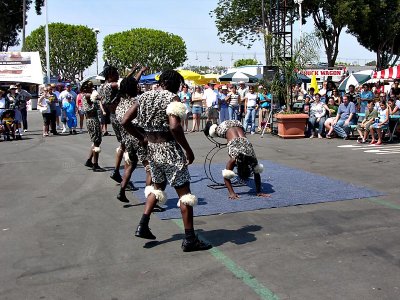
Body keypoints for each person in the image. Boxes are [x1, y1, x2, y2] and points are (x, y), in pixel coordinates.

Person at [122, 70, 212, 252]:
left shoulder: (144, 97)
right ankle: (189, 239)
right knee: (185, 194)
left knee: (157, 188)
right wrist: (187, 149)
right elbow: (174, 126)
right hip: (170, 151)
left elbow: (125, 121)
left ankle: (143, 224)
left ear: (162, 81)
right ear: (176, 85)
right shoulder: (173, 99)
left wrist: (142, 137)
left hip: (152, 150)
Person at [204, 120, 270, 199]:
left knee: (216, 132)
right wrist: (231, 193)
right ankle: (210, 126)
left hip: (238, 124)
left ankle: (212, 125)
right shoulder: (236, 159)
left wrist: (259, 191)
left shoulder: (251, 157)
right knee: (213, 132)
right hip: (227, 126)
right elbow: (226, 176)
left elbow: (256, 173)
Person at [82, 81, 105, 172]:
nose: (92, 88)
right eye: (91, 87)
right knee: (96, 142)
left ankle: (89, 160)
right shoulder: (88, 95)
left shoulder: (88, 95)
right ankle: (95, 164)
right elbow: (98, 97)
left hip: (93, 119)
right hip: (92, 120)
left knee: (97, 141)